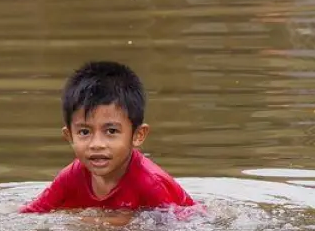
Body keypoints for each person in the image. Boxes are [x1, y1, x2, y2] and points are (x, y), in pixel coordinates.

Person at [20, 62, 196, 214]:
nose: (96, 144)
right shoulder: (71, 177)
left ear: (137, 135)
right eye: (84, 132)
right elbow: (31, 214)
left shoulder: (150, 184)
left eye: (111, 131)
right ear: (69, 136)